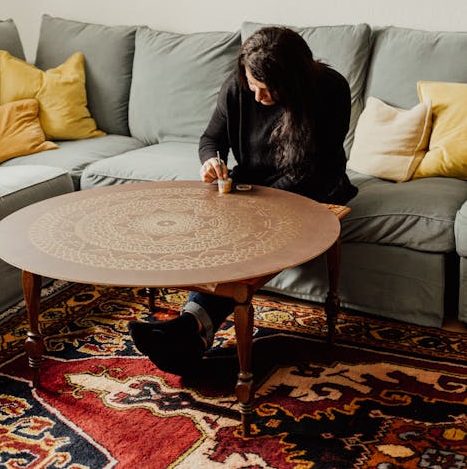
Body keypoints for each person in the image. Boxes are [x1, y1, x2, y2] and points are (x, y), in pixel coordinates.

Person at [129, 26, 357, 374]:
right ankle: (191, 329)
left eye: (266, 90)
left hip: (313, 185)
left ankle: (191, 328)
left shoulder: (330, 89)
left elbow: (315, 168)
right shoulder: (238, 88)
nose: (257, 97)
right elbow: (211, 139)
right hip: (253, 186)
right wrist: (211, 161)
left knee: (250, 233)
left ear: (293, 83)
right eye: (253, 85)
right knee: (218, 229)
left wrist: (254, 204)